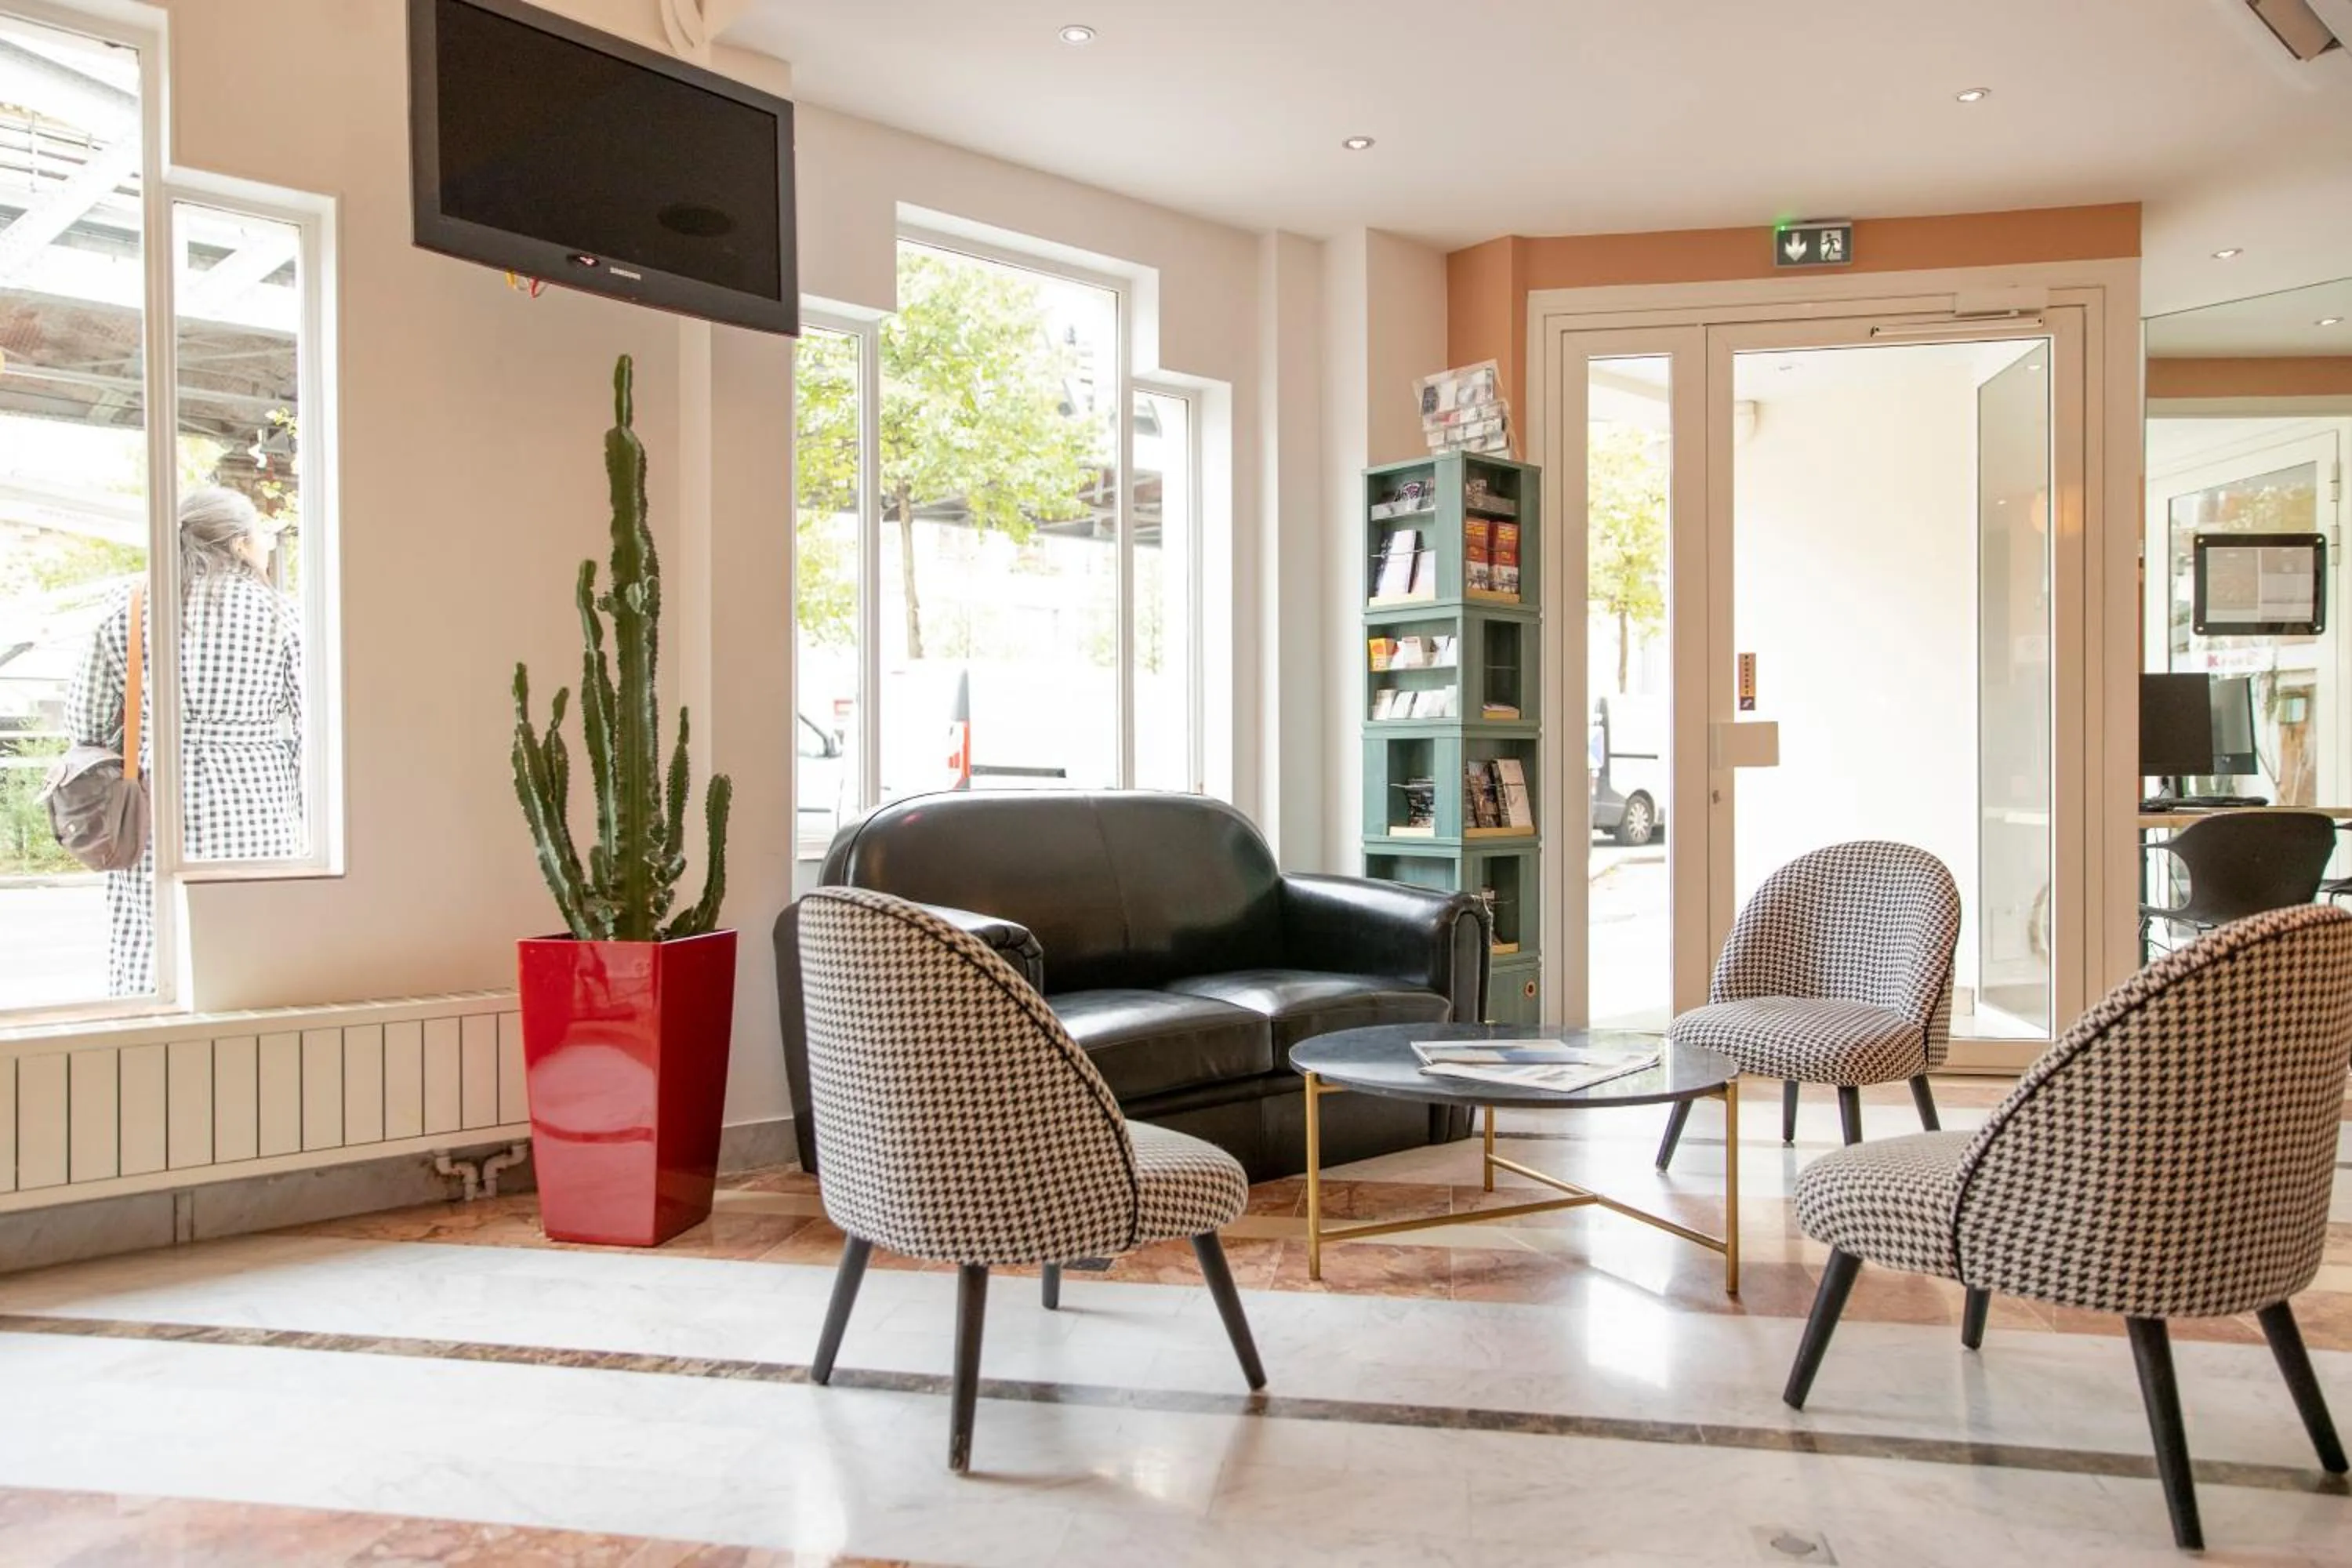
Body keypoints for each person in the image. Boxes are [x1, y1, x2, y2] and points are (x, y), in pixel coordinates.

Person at [67, 487, 303, 996]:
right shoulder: (281, 613)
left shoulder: (128, 605)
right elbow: (313, 728)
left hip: (152, 807)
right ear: (241, 544)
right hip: (257, 803)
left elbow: (85, 724)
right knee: (252, 954)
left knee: (153, 946)